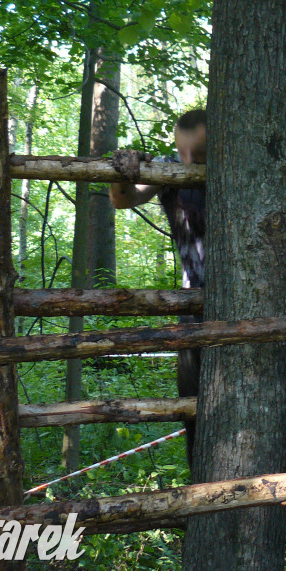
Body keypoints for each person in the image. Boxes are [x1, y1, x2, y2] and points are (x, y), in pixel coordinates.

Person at [109, 109, 206, 469]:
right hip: (191, 305)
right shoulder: (167, 169)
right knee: (194, 406)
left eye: (198, 155)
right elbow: (122, 198)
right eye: (184, 154)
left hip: (246, 302)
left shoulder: (239, 165)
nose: (188, 162)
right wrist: (124, 169)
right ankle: (200, 494)